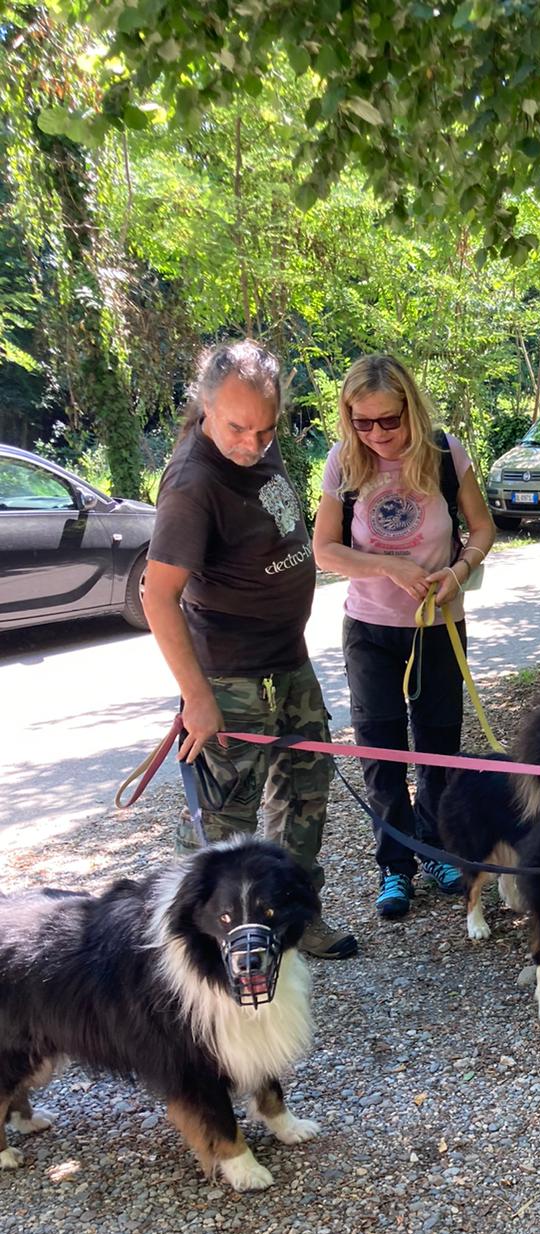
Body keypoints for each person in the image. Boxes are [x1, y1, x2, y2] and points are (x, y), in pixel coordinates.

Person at [142, 339, 358, 960]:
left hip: (289, 662)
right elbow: (159, 599)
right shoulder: (192, 483)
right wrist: (198, 699)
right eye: (238, 427)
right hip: (232, 678)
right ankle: (201, 950)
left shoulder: (260, 441)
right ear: (205, 405)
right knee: (224, 825)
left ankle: (292, 915)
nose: (253, 443)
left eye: (265, 429)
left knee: (304, 796)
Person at [312, 353, 497, 922]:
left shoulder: (445, 452)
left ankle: (438, 848)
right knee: (382, 752)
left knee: (439, 746)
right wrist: (387, 568)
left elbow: (483, 528)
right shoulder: (344, 461)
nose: (376, 435)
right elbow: (325, 549)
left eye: (388, 421)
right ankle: (395, 863)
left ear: (411, 410)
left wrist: (458, 572)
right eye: (361, 422)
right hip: (370, 629)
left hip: (439, 626)